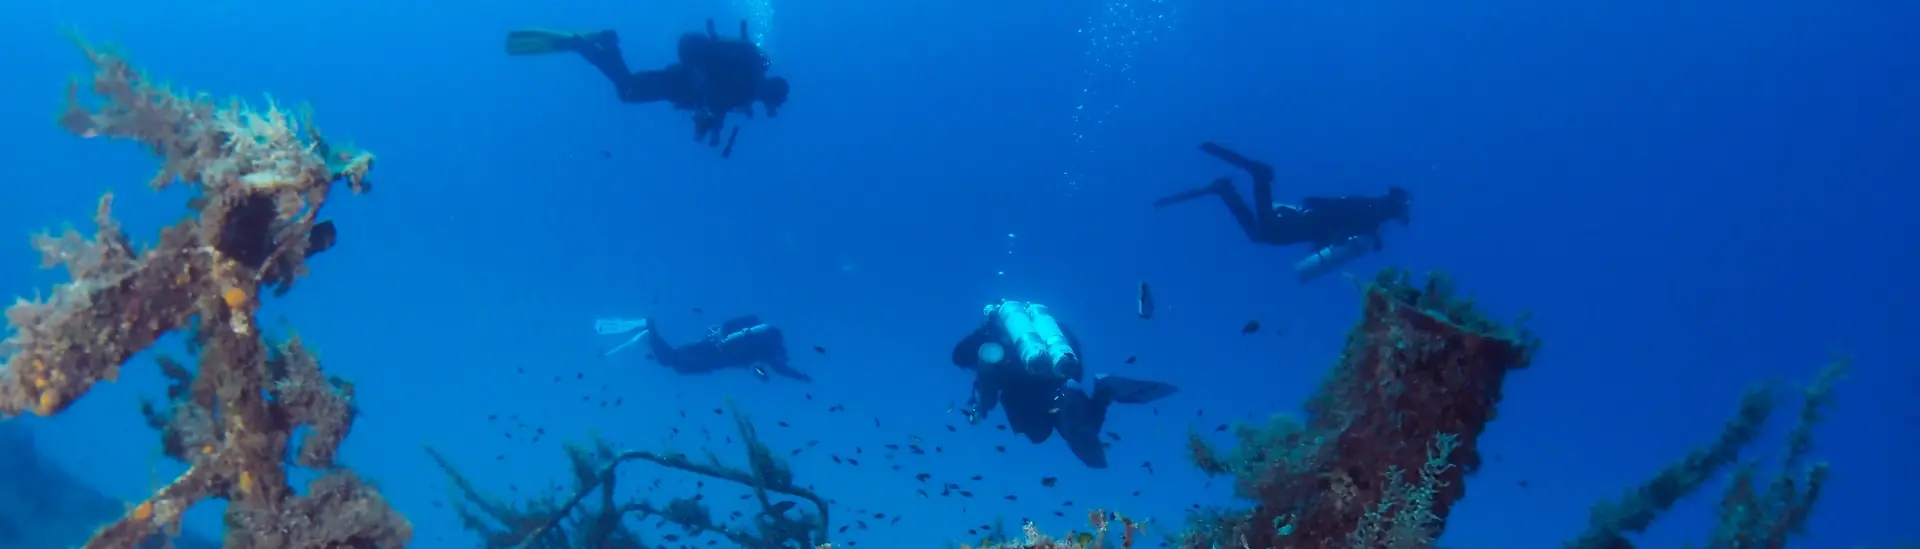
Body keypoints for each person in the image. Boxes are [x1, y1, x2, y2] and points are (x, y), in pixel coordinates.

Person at [504, 19, 791, 156]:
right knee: (627, 91)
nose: (769, 108)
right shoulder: (747, 88)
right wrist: (713, 127)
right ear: (773, 95)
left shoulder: (747, 78)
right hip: (677, 84)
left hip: (677, 81)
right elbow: (718, 100)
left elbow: (719, 101)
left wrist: (713, 126)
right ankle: (588, 44)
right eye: (773, 103)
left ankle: (604, 44)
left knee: (627, 89)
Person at [949, 300, 1177, 468]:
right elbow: (1072, 349)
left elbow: (986, 388)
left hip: (1026, 395)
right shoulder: (1044, 331)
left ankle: (1093, 394)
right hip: (1059, 379)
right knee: (1081, 432)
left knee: (1037, 434)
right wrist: (1071, 378)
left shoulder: (986, 346)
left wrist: (980, 408)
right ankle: (1102, 389)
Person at [1154, 142, 1411, 258]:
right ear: (1394, 208)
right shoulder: (1370, 213)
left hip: (1309, 223)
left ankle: (1225, 190)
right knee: (1266, 232)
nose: (1402, 219)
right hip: (1309, 222)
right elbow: (1341, 216)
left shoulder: (1372, 215)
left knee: (1259, 234)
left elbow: (1345, 217)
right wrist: (1337, 236)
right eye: (1402, 213)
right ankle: (1259, 177)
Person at [597, 315, 811, 382]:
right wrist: (802, 377)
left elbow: (777, 368)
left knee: (675, 361)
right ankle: (648, 328)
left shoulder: (761, 348)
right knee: (674, 362)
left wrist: (800, 376)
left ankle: (650, 335)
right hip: (713, 353)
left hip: (713, 353)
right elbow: (780, 367)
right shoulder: (765, 347)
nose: (782, 354)